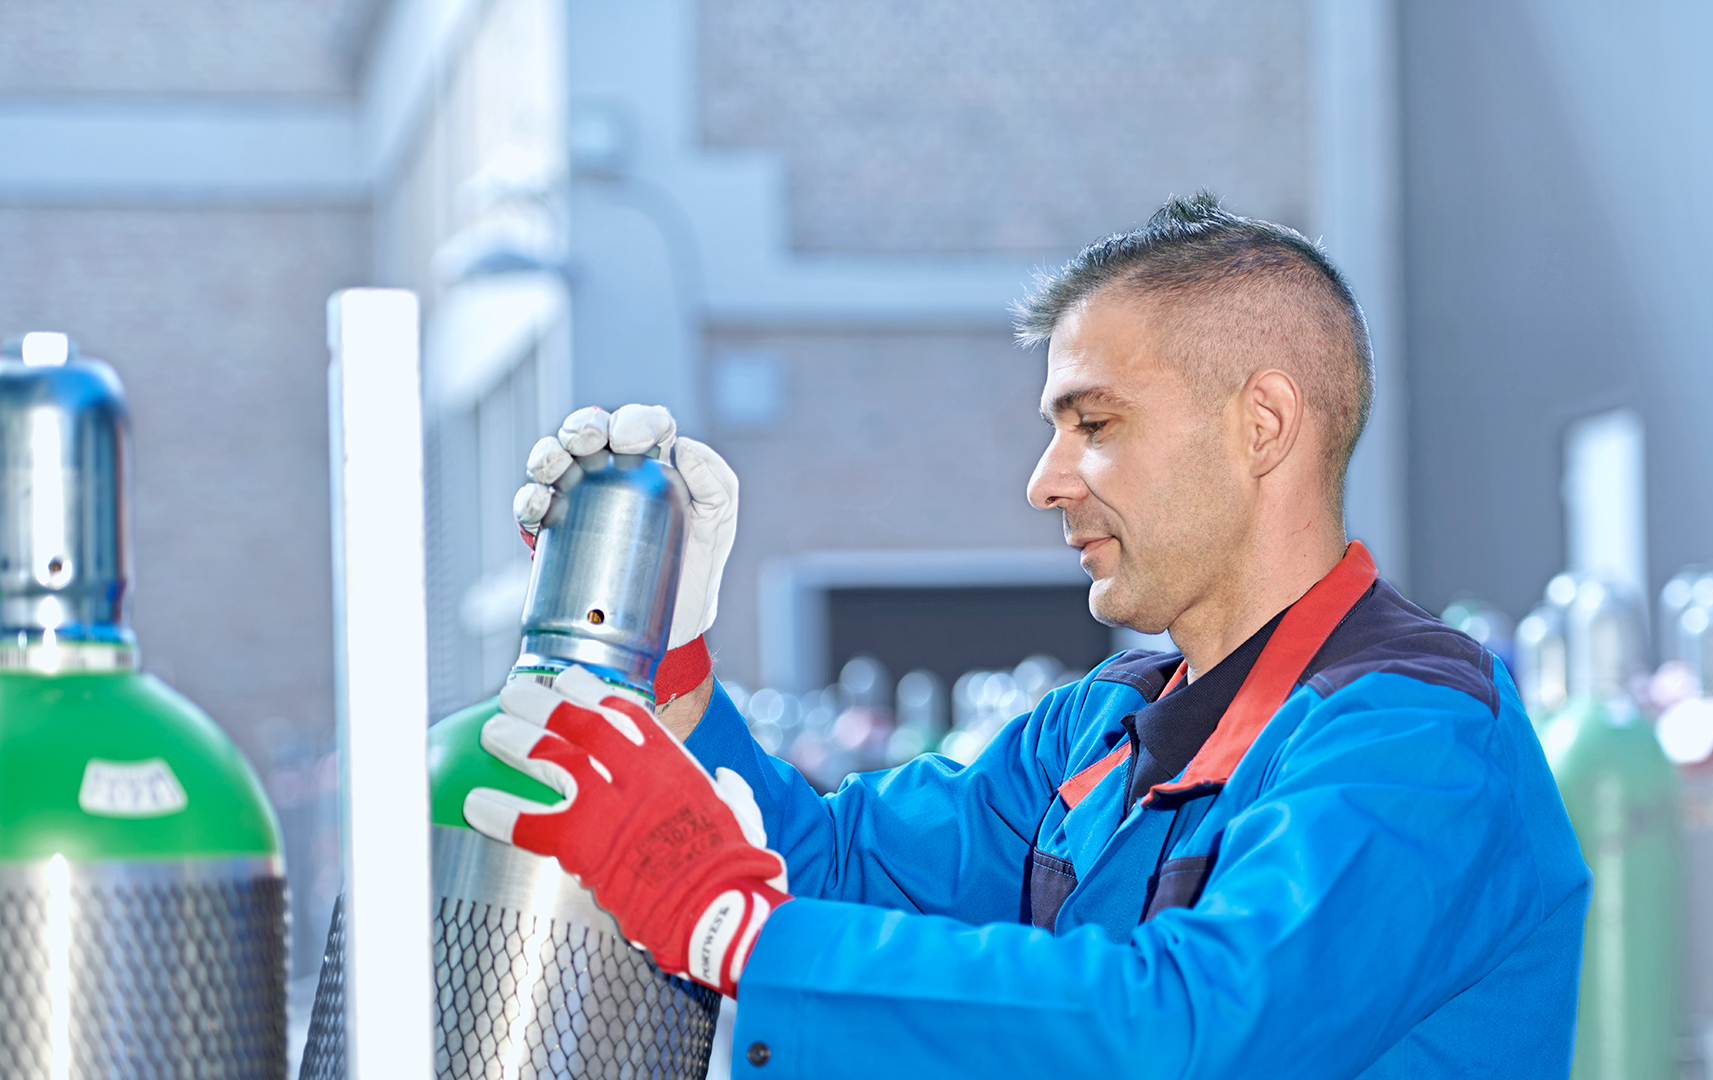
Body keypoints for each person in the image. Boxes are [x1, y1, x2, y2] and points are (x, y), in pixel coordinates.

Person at [465, 193, 1591, 1077]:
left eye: (1094, 423)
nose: (1045, 481)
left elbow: (1195, 1027)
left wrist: (735, 926)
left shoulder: (1420, 741)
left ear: (1262, 426)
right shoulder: (1101, 731)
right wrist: (669, 667)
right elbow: (834, 873)